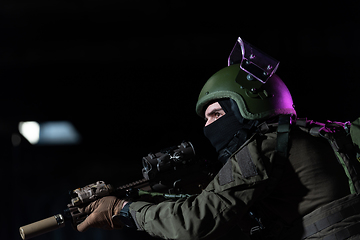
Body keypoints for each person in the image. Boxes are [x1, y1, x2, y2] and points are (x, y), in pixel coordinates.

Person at [75, 39, 360, 239]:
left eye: (216, 114)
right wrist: (137, 197)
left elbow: (196, 221)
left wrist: (123, 211)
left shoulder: (263, 148)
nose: (208, 126)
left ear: (246, 106)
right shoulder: (321, 133)